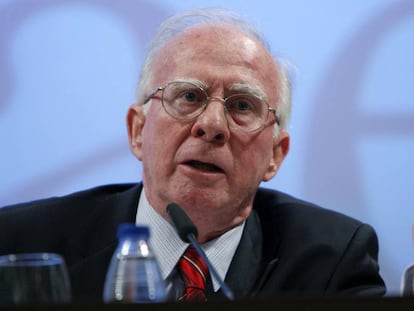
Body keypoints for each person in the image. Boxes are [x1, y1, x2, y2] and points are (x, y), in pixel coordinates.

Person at [0, 7, 386, 303]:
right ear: (137, 131)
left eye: (242, 106)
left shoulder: (332, 262)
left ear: (275, 155)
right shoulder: (24, 246)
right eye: (188, 96)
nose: (213, 124)